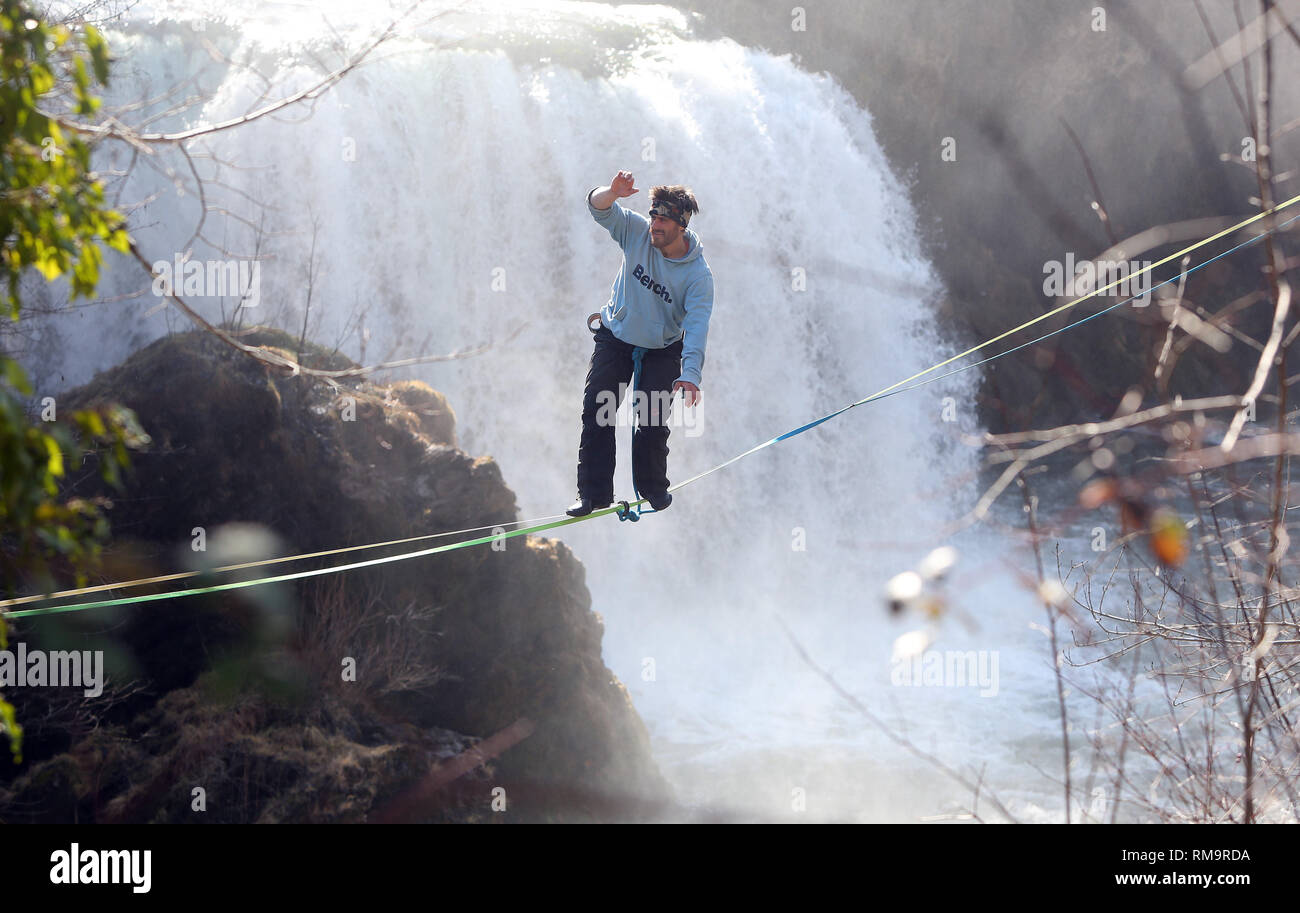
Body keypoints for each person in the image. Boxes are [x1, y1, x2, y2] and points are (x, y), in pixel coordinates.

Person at [566, 170, 715, 518]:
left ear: (682, 225)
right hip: (615, 338)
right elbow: (597, 207)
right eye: (654, 216)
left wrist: (691, 374)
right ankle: (592, 494)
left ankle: (652, 488)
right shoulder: (636, 232)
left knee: (650, 421)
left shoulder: (698, 277)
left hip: (662, 350)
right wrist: (612, 192)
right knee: (598, 412)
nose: (656, 225)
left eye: (664, 220)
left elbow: (696, 328)